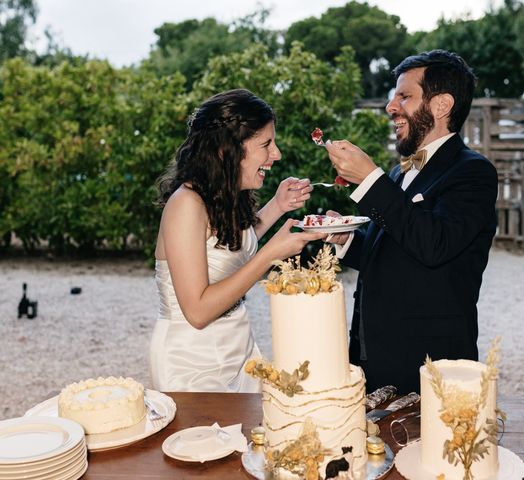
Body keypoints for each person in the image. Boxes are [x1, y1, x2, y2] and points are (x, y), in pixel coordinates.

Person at [325, 50, 498, 394]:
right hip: (372, 356)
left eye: (404, 96)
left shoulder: (473, 172)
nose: (391, 107)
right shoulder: (397, 173)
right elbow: (393, 252)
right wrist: (347, 240)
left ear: (441, 105)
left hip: (427, 366)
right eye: (393, 96)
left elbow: (434, 245)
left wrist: (370, 179)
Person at [150, 89, 324, 392]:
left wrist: (277, 206)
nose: (277, 153)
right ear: (226, 149)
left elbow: (227, 252)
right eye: (266, 144)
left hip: (238, 351)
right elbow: (198, 311)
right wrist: (270, 256)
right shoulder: (186, 205)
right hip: (192, 363)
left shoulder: (221, 196)